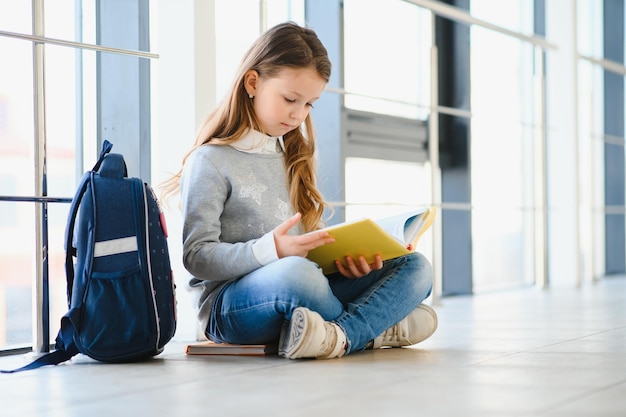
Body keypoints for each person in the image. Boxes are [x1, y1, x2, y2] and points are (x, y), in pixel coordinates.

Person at [161, 21, 437, 359]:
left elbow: (309, 249)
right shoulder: (210, 160)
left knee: (415, 265)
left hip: (307, 285)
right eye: (291, 99)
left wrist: (346, 262)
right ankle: (373, 328)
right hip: (231, 307)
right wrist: (271, 250)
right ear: (253, 82)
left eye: (309, 104)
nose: (298, 114)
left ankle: (340, 335)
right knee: (298, 275)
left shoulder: (293, 155)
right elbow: (197, 257)